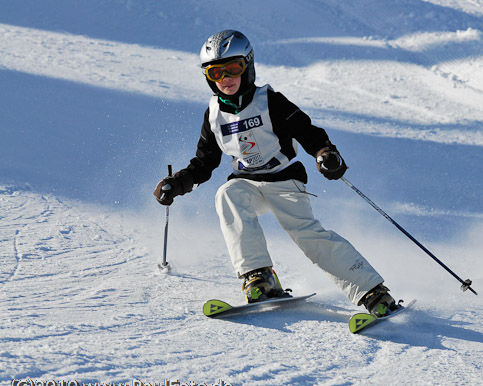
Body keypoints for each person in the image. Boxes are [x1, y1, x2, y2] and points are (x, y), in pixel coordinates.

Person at [154, 30, 399, 317]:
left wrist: (325, 154)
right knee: (227, 195)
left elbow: (309, 133)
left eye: (233, 69)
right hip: (247, 183)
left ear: (248, 65)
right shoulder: (213, 114)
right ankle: (258, 278)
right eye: (216, 72)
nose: (226, 78)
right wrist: (178, 183)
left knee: (307, 235)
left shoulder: (270, 101)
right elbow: (204, 162)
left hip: (285, 180)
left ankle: (373, 292)